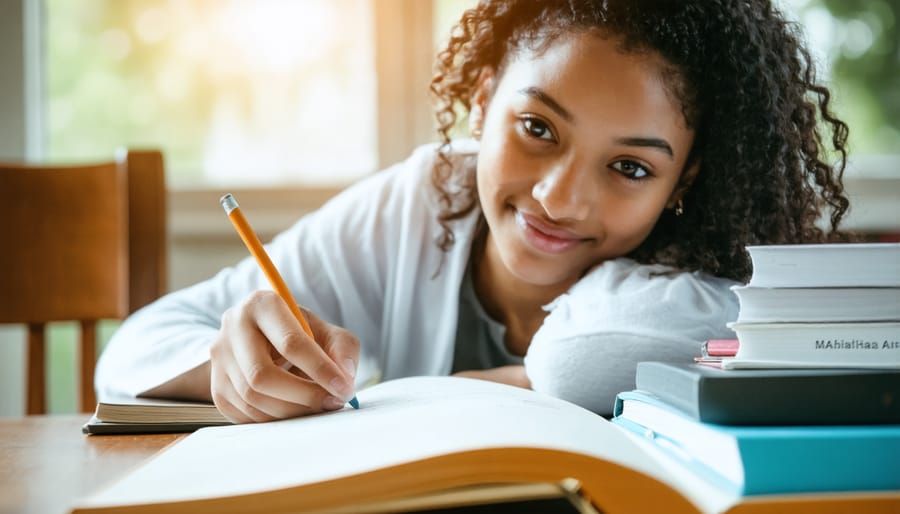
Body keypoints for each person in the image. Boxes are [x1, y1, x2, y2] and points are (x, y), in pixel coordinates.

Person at [96, 0, 851, 421]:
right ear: (484, 103)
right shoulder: (423, 201)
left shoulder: (712, 275)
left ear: (684, 180)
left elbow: (582, 357)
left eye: (629, 167)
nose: (559, 197)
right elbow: (132, 349)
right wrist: (228, 362)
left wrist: (522, 383)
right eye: (537, 129)